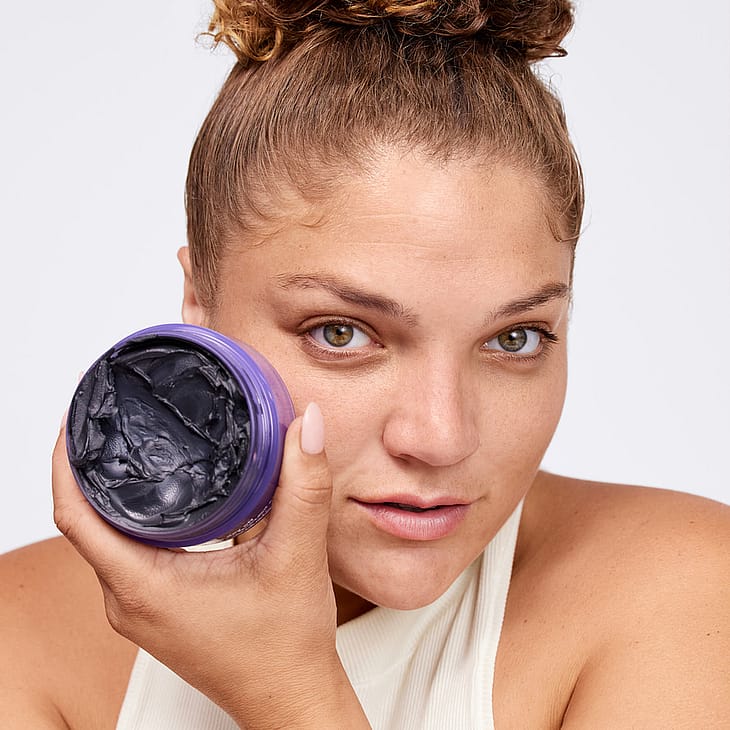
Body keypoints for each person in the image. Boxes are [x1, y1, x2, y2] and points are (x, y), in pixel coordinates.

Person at [1, 1, 728, 727]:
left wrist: (288, 690)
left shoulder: (681, 590)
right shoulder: (26, 643)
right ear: (200, 302)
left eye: (515, 339)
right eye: (342, 333)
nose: (441, 438)